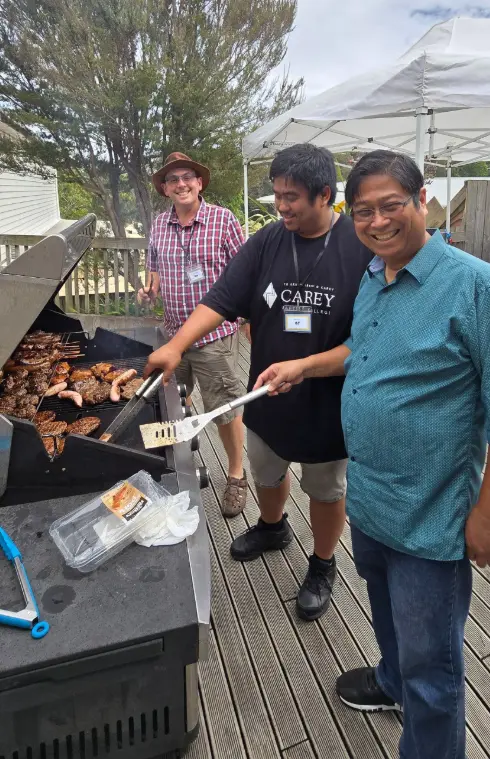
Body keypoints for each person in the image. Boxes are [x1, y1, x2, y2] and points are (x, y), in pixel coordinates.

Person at [254, 150, 490, 758]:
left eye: (392, 206)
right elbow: (361, 348)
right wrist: (304, 365)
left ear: (423, 200)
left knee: (432, 670)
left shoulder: (473, 285)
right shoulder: (373, 275)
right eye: (364, 211)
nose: (378, 222)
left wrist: (485, 514)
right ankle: (389, 682)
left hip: (432, 517)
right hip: (373, 498)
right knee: (386, 616)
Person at [144, 144, 372, 620]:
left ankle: (324, 563)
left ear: (325, 195)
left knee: (326, 487)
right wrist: (176, 345)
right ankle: (273, 527)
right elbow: (221, 298)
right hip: (265, 390)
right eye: (277, 196)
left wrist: (306, 367)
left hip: (328, 400)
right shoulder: (268, 241)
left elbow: (369, 340)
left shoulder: (359, 246)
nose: (282, 206)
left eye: (291, 197)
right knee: (267, 469)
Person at [139, 151, 247, 517]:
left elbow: (245, 271)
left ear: (199, 183)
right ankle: (176, 469)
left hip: (214, 338)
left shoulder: (223, 220)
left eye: (187, 177)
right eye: (173, 179)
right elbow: (153, 266)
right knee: (171, 407)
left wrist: (249, 318)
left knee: (225, 408)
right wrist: (150, 289)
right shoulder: (158, 224)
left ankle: (235, 474)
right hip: (172, 338)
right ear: (165, 189)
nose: (181, 184)